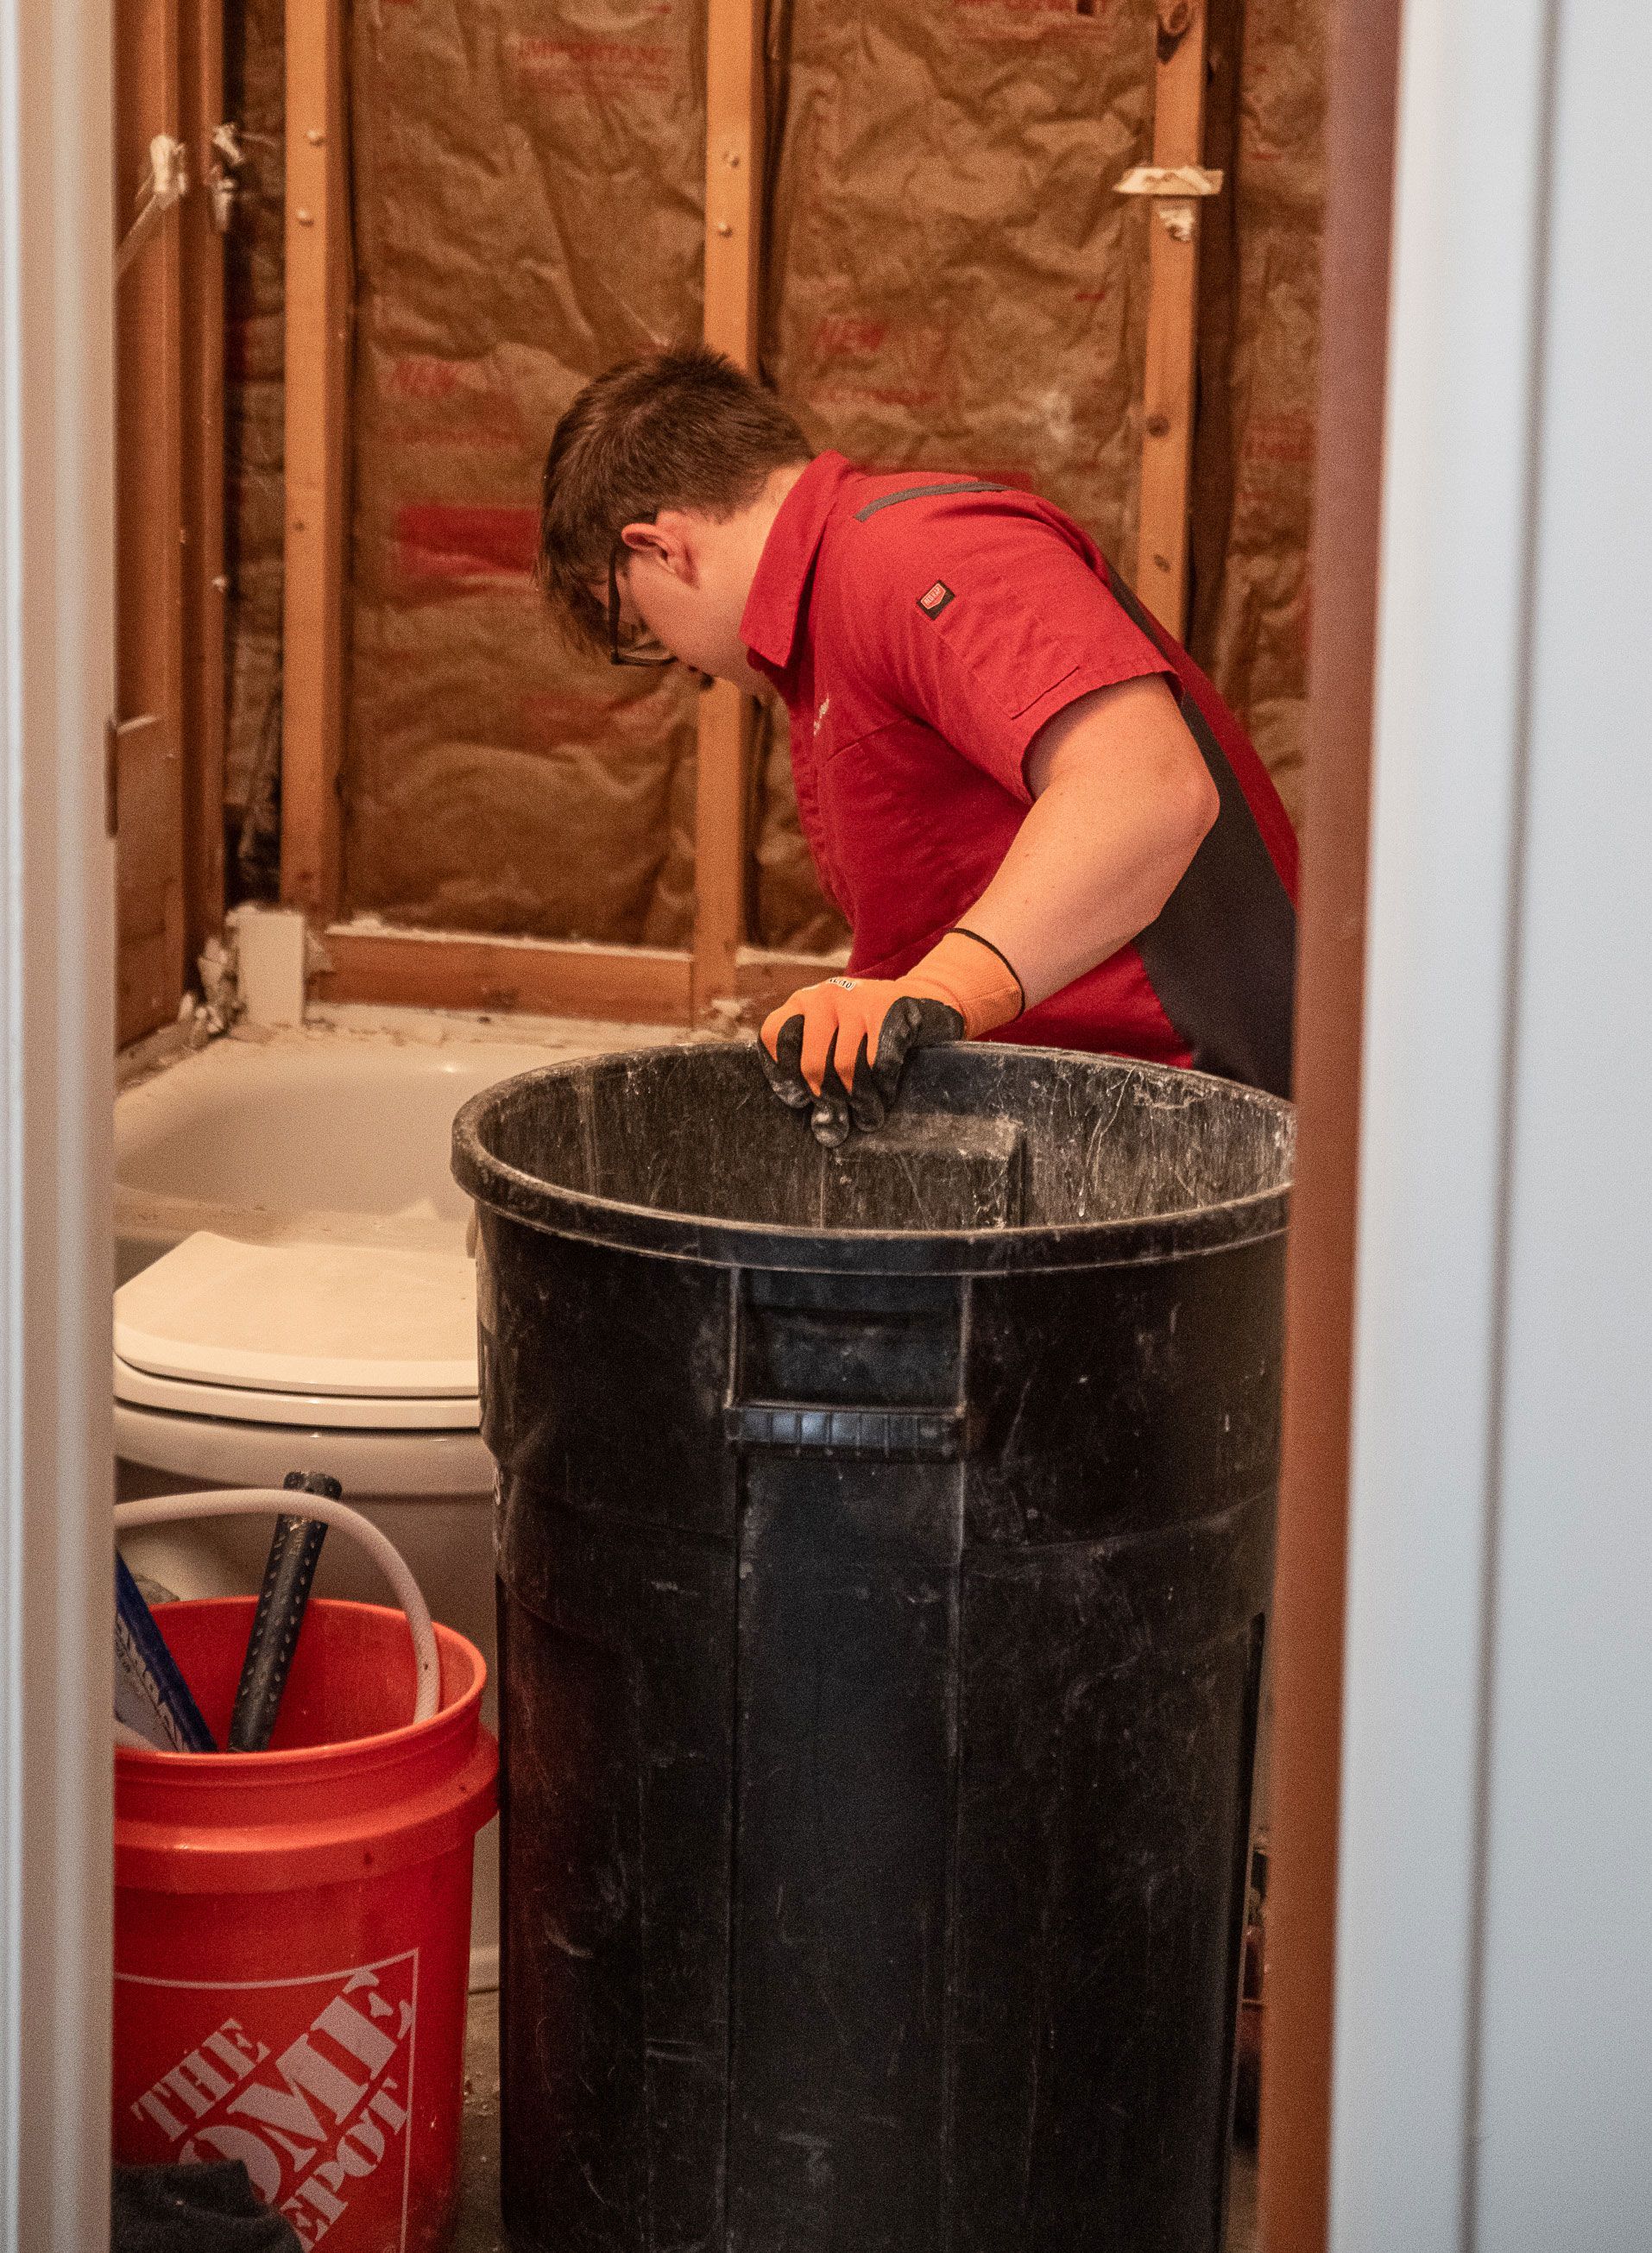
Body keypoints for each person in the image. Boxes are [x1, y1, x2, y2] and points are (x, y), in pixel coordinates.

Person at [537, 345, 1297, 1145]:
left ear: (661, 548)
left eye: (635, 624)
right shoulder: (834, 625)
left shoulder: (910, 550)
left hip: (1182, 1123)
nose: (682, 662)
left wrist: (940, 988)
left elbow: (1148, 789)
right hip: (1096, 1124)